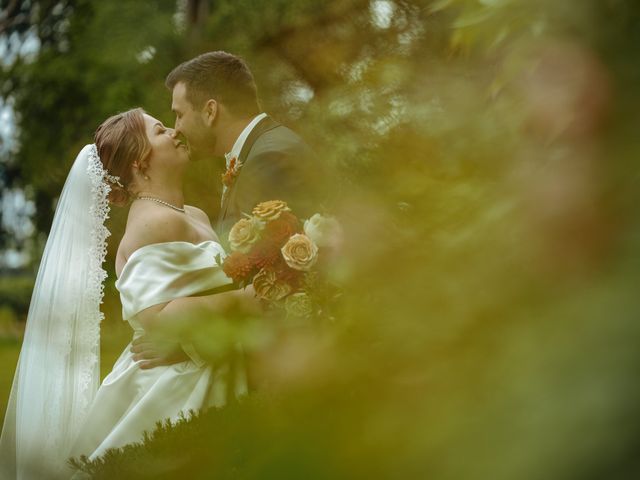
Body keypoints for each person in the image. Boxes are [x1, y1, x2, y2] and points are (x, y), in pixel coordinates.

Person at [0, 108, 252, 479]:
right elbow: (158, 319)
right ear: (140, 160)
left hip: (207, 360)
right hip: (173, 384)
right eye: (160, 129)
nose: (173, 132)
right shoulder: (153, 222)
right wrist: (249, 300)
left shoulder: (191, 213)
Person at [131, 50, 323, 370]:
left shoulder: (268, 160)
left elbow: (291, 285)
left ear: (210, 111)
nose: (176, 129)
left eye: (179, 114)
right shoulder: (258, 153)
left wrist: (193, 348)